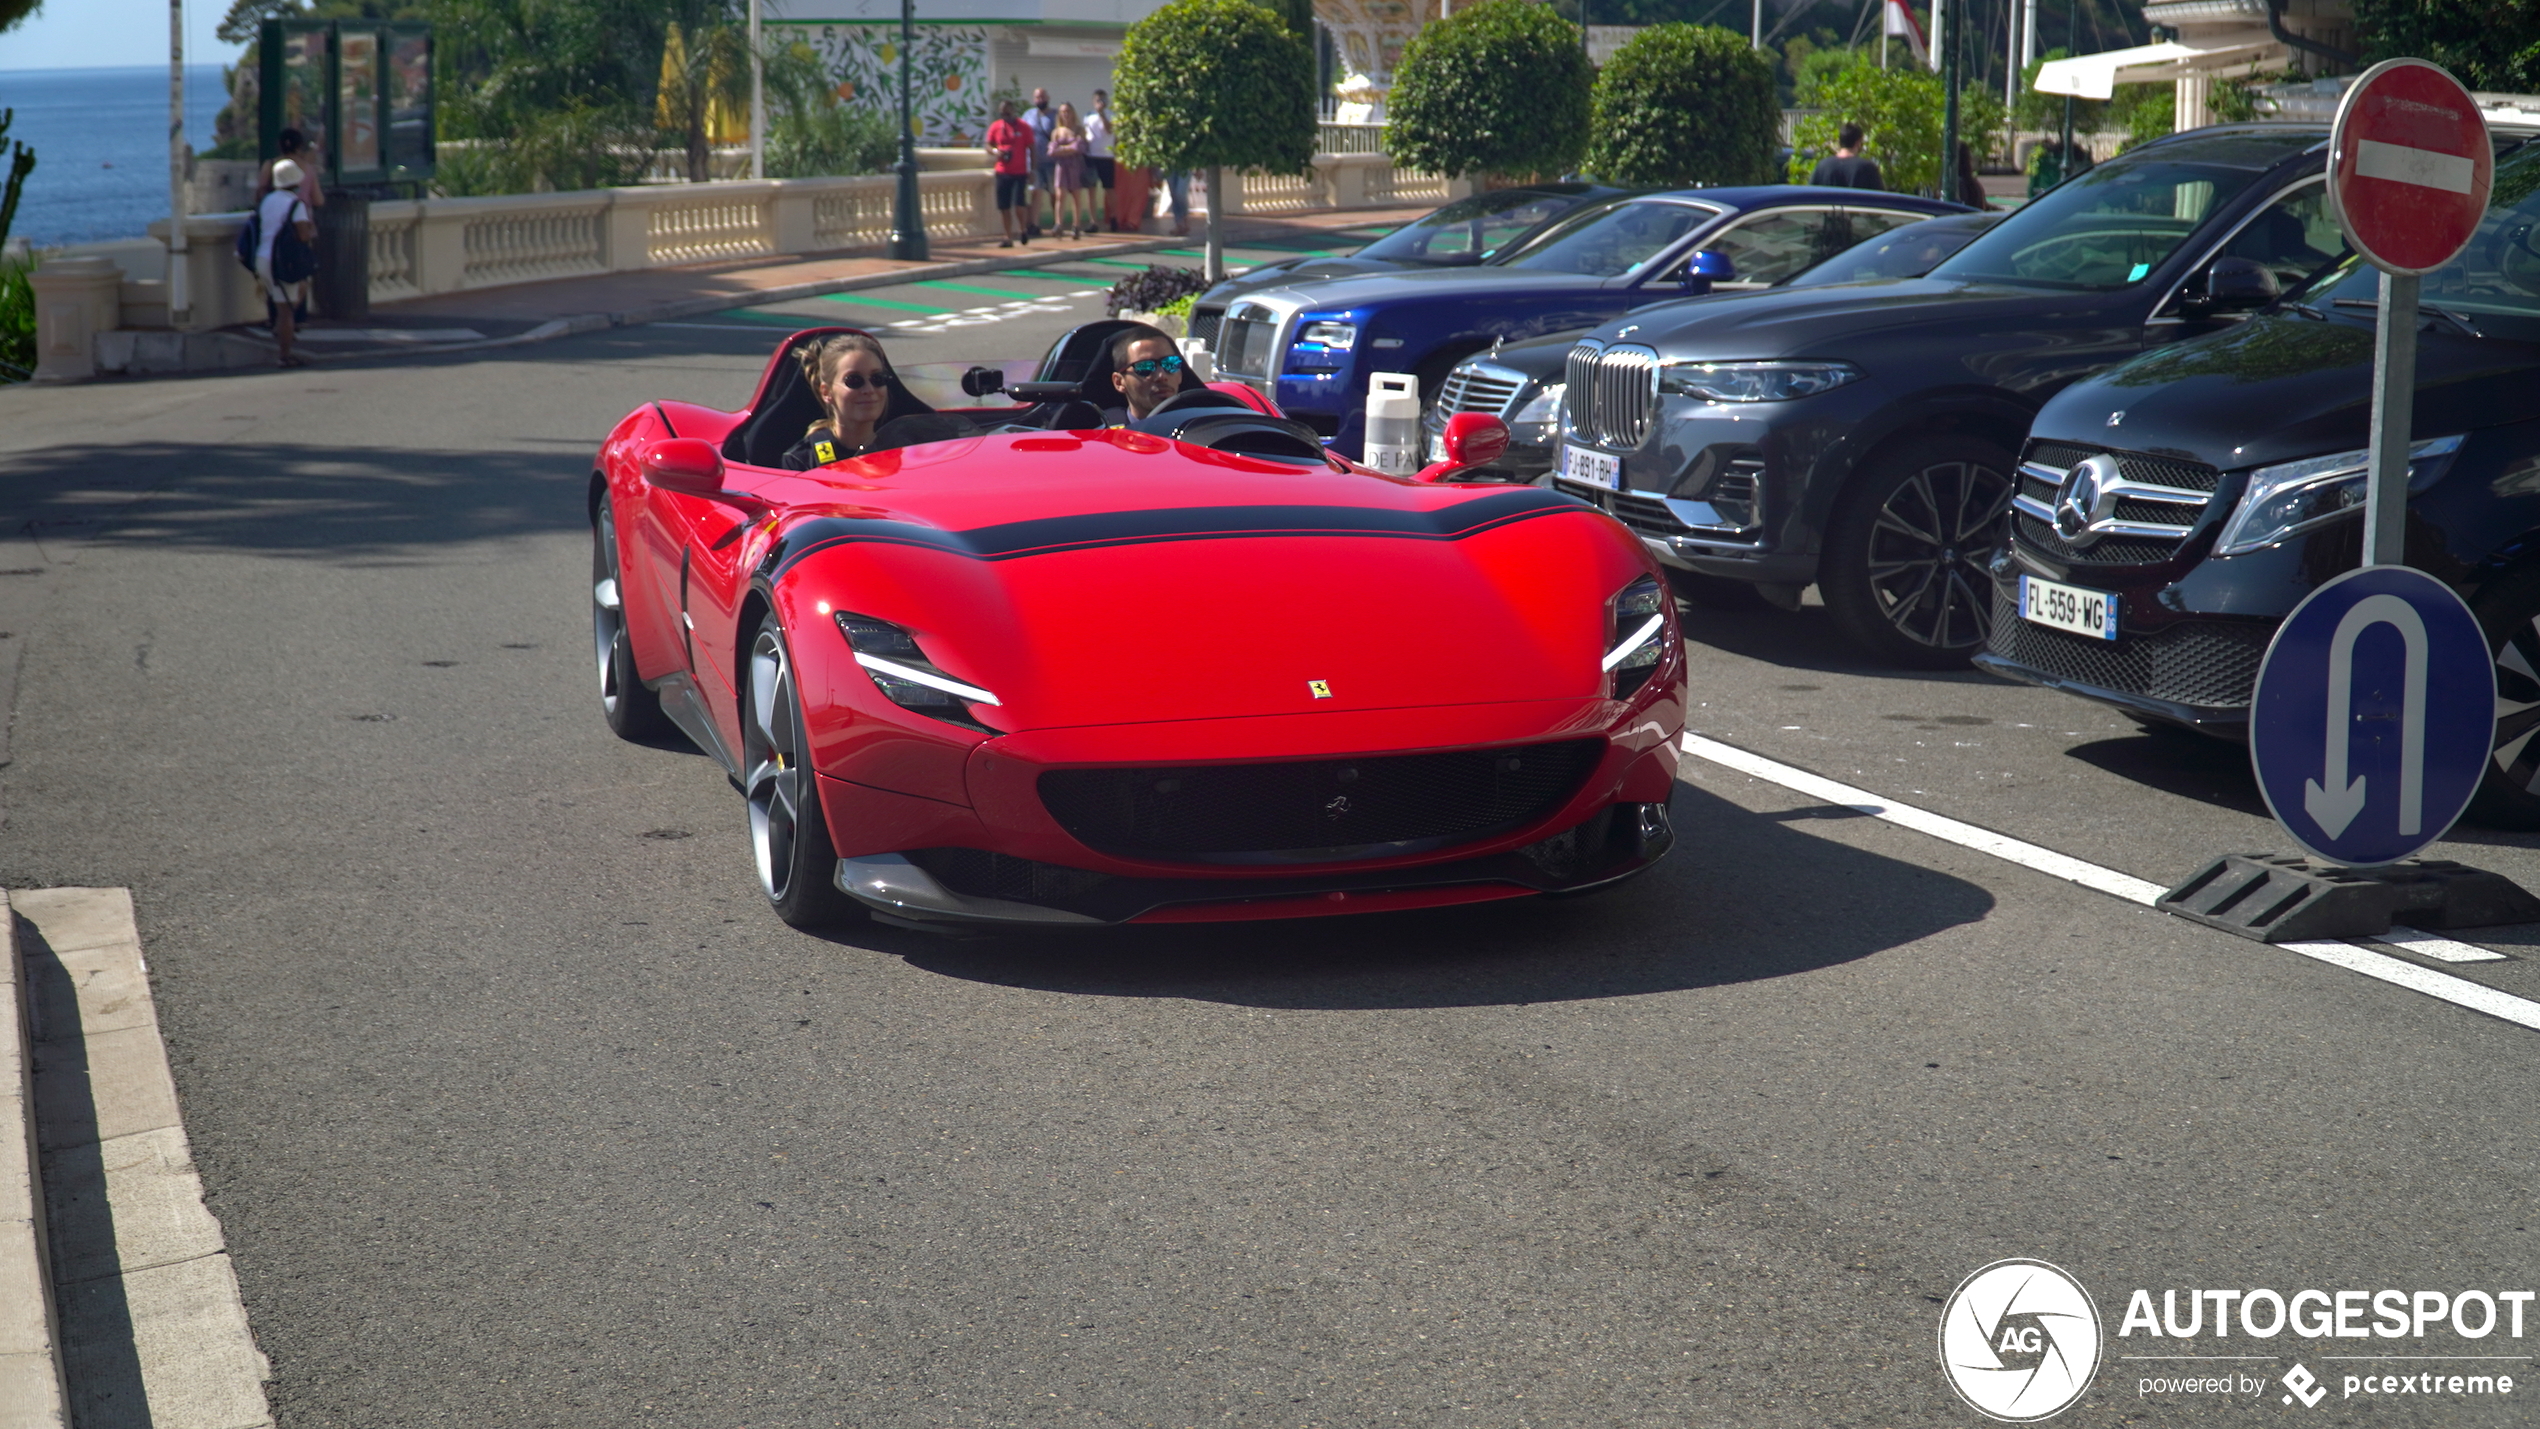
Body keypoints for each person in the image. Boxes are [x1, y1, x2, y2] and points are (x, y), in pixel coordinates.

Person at [780, 332, 899, 469]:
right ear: (826, 392)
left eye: (877, 378)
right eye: (854, 380)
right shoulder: (802, 460)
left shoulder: (903, 450)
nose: (869, 389)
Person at [254, 158, 318, 368]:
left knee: (291, 297)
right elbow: (302, 235)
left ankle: (280, 330)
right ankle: (284, 354)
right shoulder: (295, 204)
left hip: (263, 258)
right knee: (286, 311)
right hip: (283, 262)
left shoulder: (268, 201)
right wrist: (311, 231)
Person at [1102, 325, 1184, 425]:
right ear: (1119, 382)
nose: (1161, 376)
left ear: (1180, 374)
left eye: (1170, 364)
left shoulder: (1201, 427)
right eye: (1145, 367)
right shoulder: (1105, 436)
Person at [984, 100, 1035, 247]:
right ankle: (1008, 236)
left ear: (1013, 111)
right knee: (1004, 206)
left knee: (1019, 204)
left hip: (1019, 171)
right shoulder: (996, 126)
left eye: (1007, 112)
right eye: (1002, 112)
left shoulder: (1023, 127)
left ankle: (1023, 229)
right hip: (1002, 170)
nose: (1005, 115)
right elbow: (988, 144)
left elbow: (1032, 148)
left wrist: (1033, 170)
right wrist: (996, 151)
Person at [1047, 103, 1091, 240]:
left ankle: (1076, 225)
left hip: (1075, 165)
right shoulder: (1056, 132)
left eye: (1068, 111)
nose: (1065, 114)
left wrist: (1063, 149)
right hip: (1061, 165)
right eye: (1062, 112)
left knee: (1076, 195)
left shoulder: (1079, 129)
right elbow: (1052, 151)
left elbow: (1080, 147)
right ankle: (1058, 224)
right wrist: (1069, 149)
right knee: (1060, 194)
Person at [254, 127, 323, 210]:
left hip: (274, 214)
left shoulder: (270, 165)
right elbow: (318, 200)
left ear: (279, 145)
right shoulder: (308, 168)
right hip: (301, 217)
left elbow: (260, 193)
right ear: (300, 146)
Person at [1809, 123, 1883, 191]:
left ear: (1839, 141)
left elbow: (1811, 195)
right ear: (1858, 142)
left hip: (1828, 205)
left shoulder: (1822, 166)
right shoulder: (1867, 168)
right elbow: (1879, 198)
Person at [1023, 87, 1055, 239]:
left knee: (1054, 194)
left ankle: (1057, 223)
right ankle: (1034, 225)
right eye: (1037, 97)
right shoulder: (1028, 115)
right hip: (1033, 161)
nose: (1040, 100)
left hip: (1051, 161)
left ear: (1047, 97)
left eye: (1042, 97)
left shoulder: (1055, 115)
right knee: (1036, 192)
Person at [1085, 90, 1117, 232]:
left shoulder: (1112, 116)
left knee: (1109, 189)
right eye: (1098, 100)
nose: (1100, 102)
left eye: (1103, 100)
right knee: (1091, 189)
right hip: (1091, 156)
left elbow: (1110, 130)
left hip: (1106, 156)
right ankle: (1093, 221)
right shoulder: (1088, 117)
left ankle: (1114, 218)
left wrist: (1102, 113)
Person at [1164, 169, 1191, 238]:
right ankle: (1179, 223)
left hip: (1185, 164)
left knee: (1180, 193)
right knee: (1173, 194)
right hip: (1170, 165)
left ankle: (1184, 219)